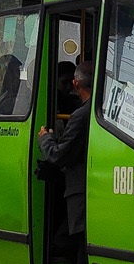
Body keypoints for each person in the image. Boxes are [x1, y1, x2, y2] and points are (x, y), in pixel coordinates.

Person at [38, 61, 93, 245]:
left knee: (72, 245)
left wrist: (45, 138)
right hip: (92, 192)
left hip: (81, 195)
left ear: (76, 84)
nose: (68, 88)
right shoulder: (104, 110)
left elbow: (57, 156)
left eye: (71, 83)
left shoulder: (80, 115)